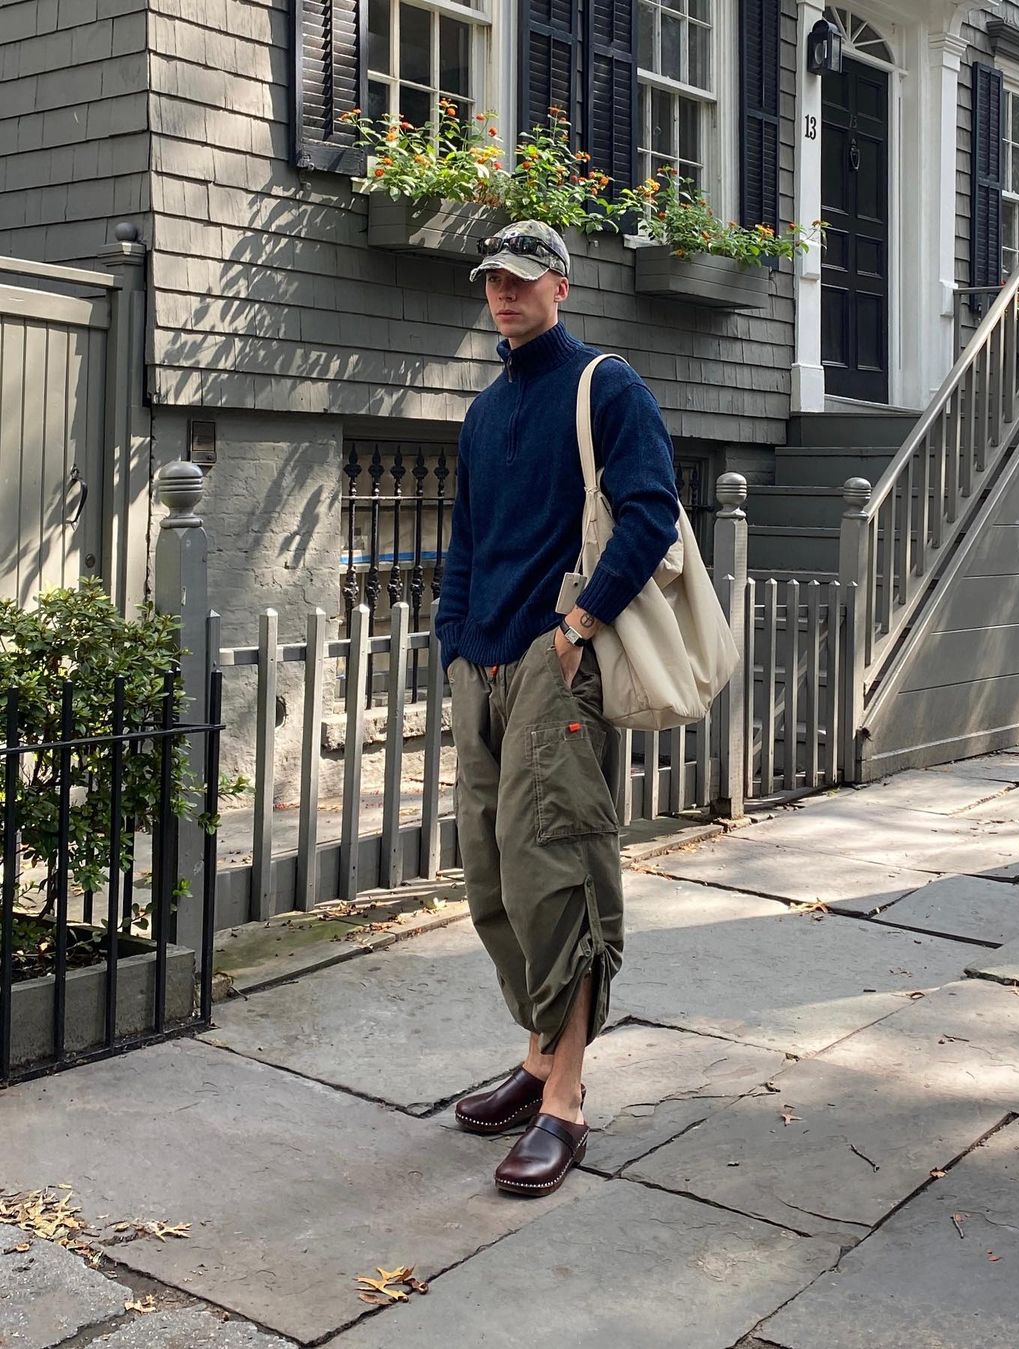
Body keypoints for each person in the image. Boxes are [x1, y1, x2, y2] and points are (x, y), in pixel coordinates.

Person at [435, 219, 680, 1196]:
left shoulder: (604, 386)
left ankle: (566, 1100)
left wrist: (577, 626)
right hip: (481, 665)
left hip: (553, 666)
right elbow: (464, 539)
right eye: (493, 278)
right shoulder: (485, 410)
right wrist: (454, 641)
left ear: (561, 286)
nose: (505, 292)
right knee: (493, 881)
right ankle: (538, 1055)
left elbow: (651, 511)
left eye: (523, 277)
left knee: (560, 876)